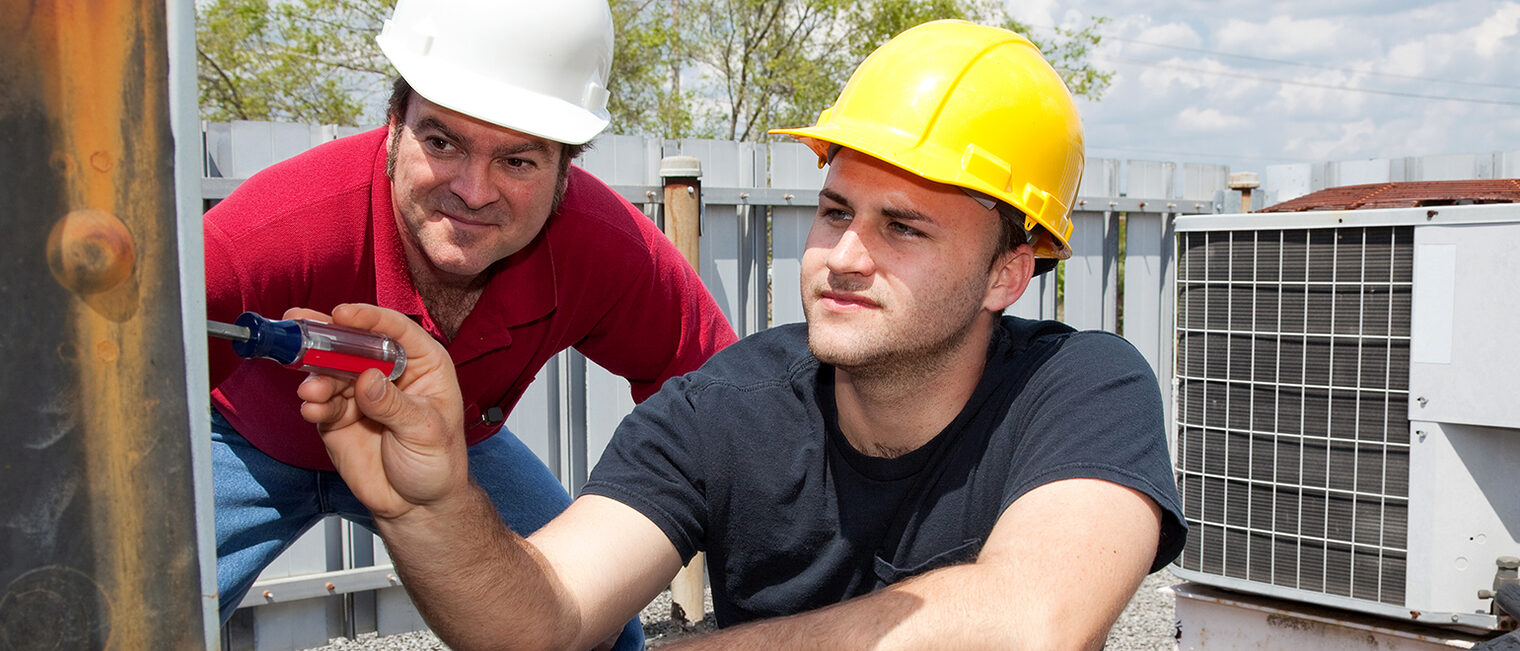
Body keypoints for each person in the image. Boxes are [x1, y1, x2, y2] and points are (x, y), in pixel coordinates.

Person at [297, 19, 1186, 649]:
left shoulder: (1080, 385)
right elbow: (544, 618)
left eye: (903, 228)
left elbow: (1033, 622)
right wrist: (427, 507)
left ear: (1006, 273)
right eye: (836, 209)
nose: (842, 254)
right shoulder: (722, 407)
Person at [202, 0, 736, 646]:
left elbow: (725, 403)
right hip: (244, 438)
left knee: (593, 632)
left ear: (569, 168)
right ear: (394, 123)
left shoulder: (602, 249)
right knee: (112, 610)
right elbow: (121, 385)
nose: (475, 190)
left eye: (518, 161)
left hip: (449, 440)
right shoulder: (272, 230)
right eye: (442, 141)